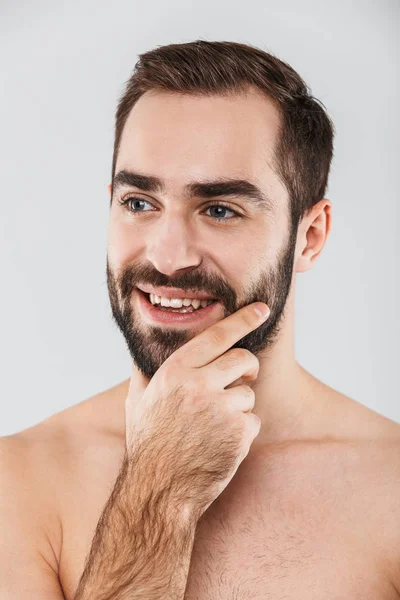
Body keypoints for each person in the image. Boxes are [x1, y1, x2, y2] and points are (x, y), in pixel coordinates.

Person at [1, 39, 399, 600]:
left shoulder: (391, 493)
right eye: (139, 202)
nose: (167, 257)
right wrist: (159, 491)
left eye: (219, 209)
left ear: (309, 237)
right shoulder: (16, 483)